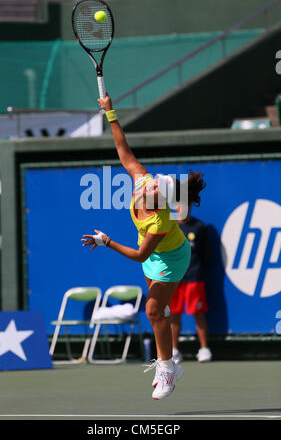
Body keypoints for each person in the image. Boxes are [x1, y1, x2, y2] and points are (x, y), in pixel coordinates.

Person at [81, 94, 206, 400]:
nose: (150, 183)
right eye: (154, 181)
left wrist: (107, 242)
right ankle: (169, 361)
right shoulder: (142, 181)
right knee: (160, 311)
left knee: (152, 310)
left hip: (171, 259)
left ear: (161, 199)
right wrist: (110, 113)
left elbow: (141, 255)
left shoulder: (160, 223)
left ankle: (168, 367)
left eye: (156, 186)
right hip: (152, 257)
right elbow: (123, 151)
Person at [170, 208, 212, 363]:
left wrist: (198, 270)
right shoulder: (170, 226)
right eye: (180, 206)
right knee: (174, 314)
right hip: (175, 279)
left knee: (198, 313)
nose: (183, 209)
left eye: (186, 206)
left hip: (194, 278)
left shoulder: (199, 227)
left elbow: (206, 254)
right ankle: (174, 350)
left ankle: (204, 349)